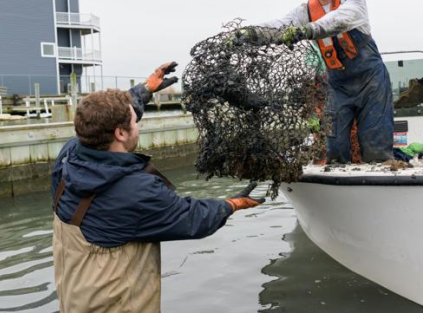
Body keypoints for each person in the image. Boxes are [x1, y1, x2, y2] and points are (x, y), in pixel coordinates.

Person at [51, 62, 264, 313]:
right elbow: (192, 218)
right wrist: (231, 205)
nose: (138, 123)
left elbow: (108, 119)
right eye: (134, 120)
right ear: (120, 133)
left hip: (74, 298)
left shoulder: (70, 154)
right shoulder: (136, 191)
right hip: (115, 305)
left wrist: (144, 90)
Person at [236, 0, 394, 163]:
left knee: (376, 149)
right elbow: (280, 25)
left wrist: (308, 30)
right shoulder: (305, 11)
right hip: (338, 87)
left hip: (372, 84)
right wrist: (250, 33)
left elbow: (339, 19)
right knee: (335, 149)